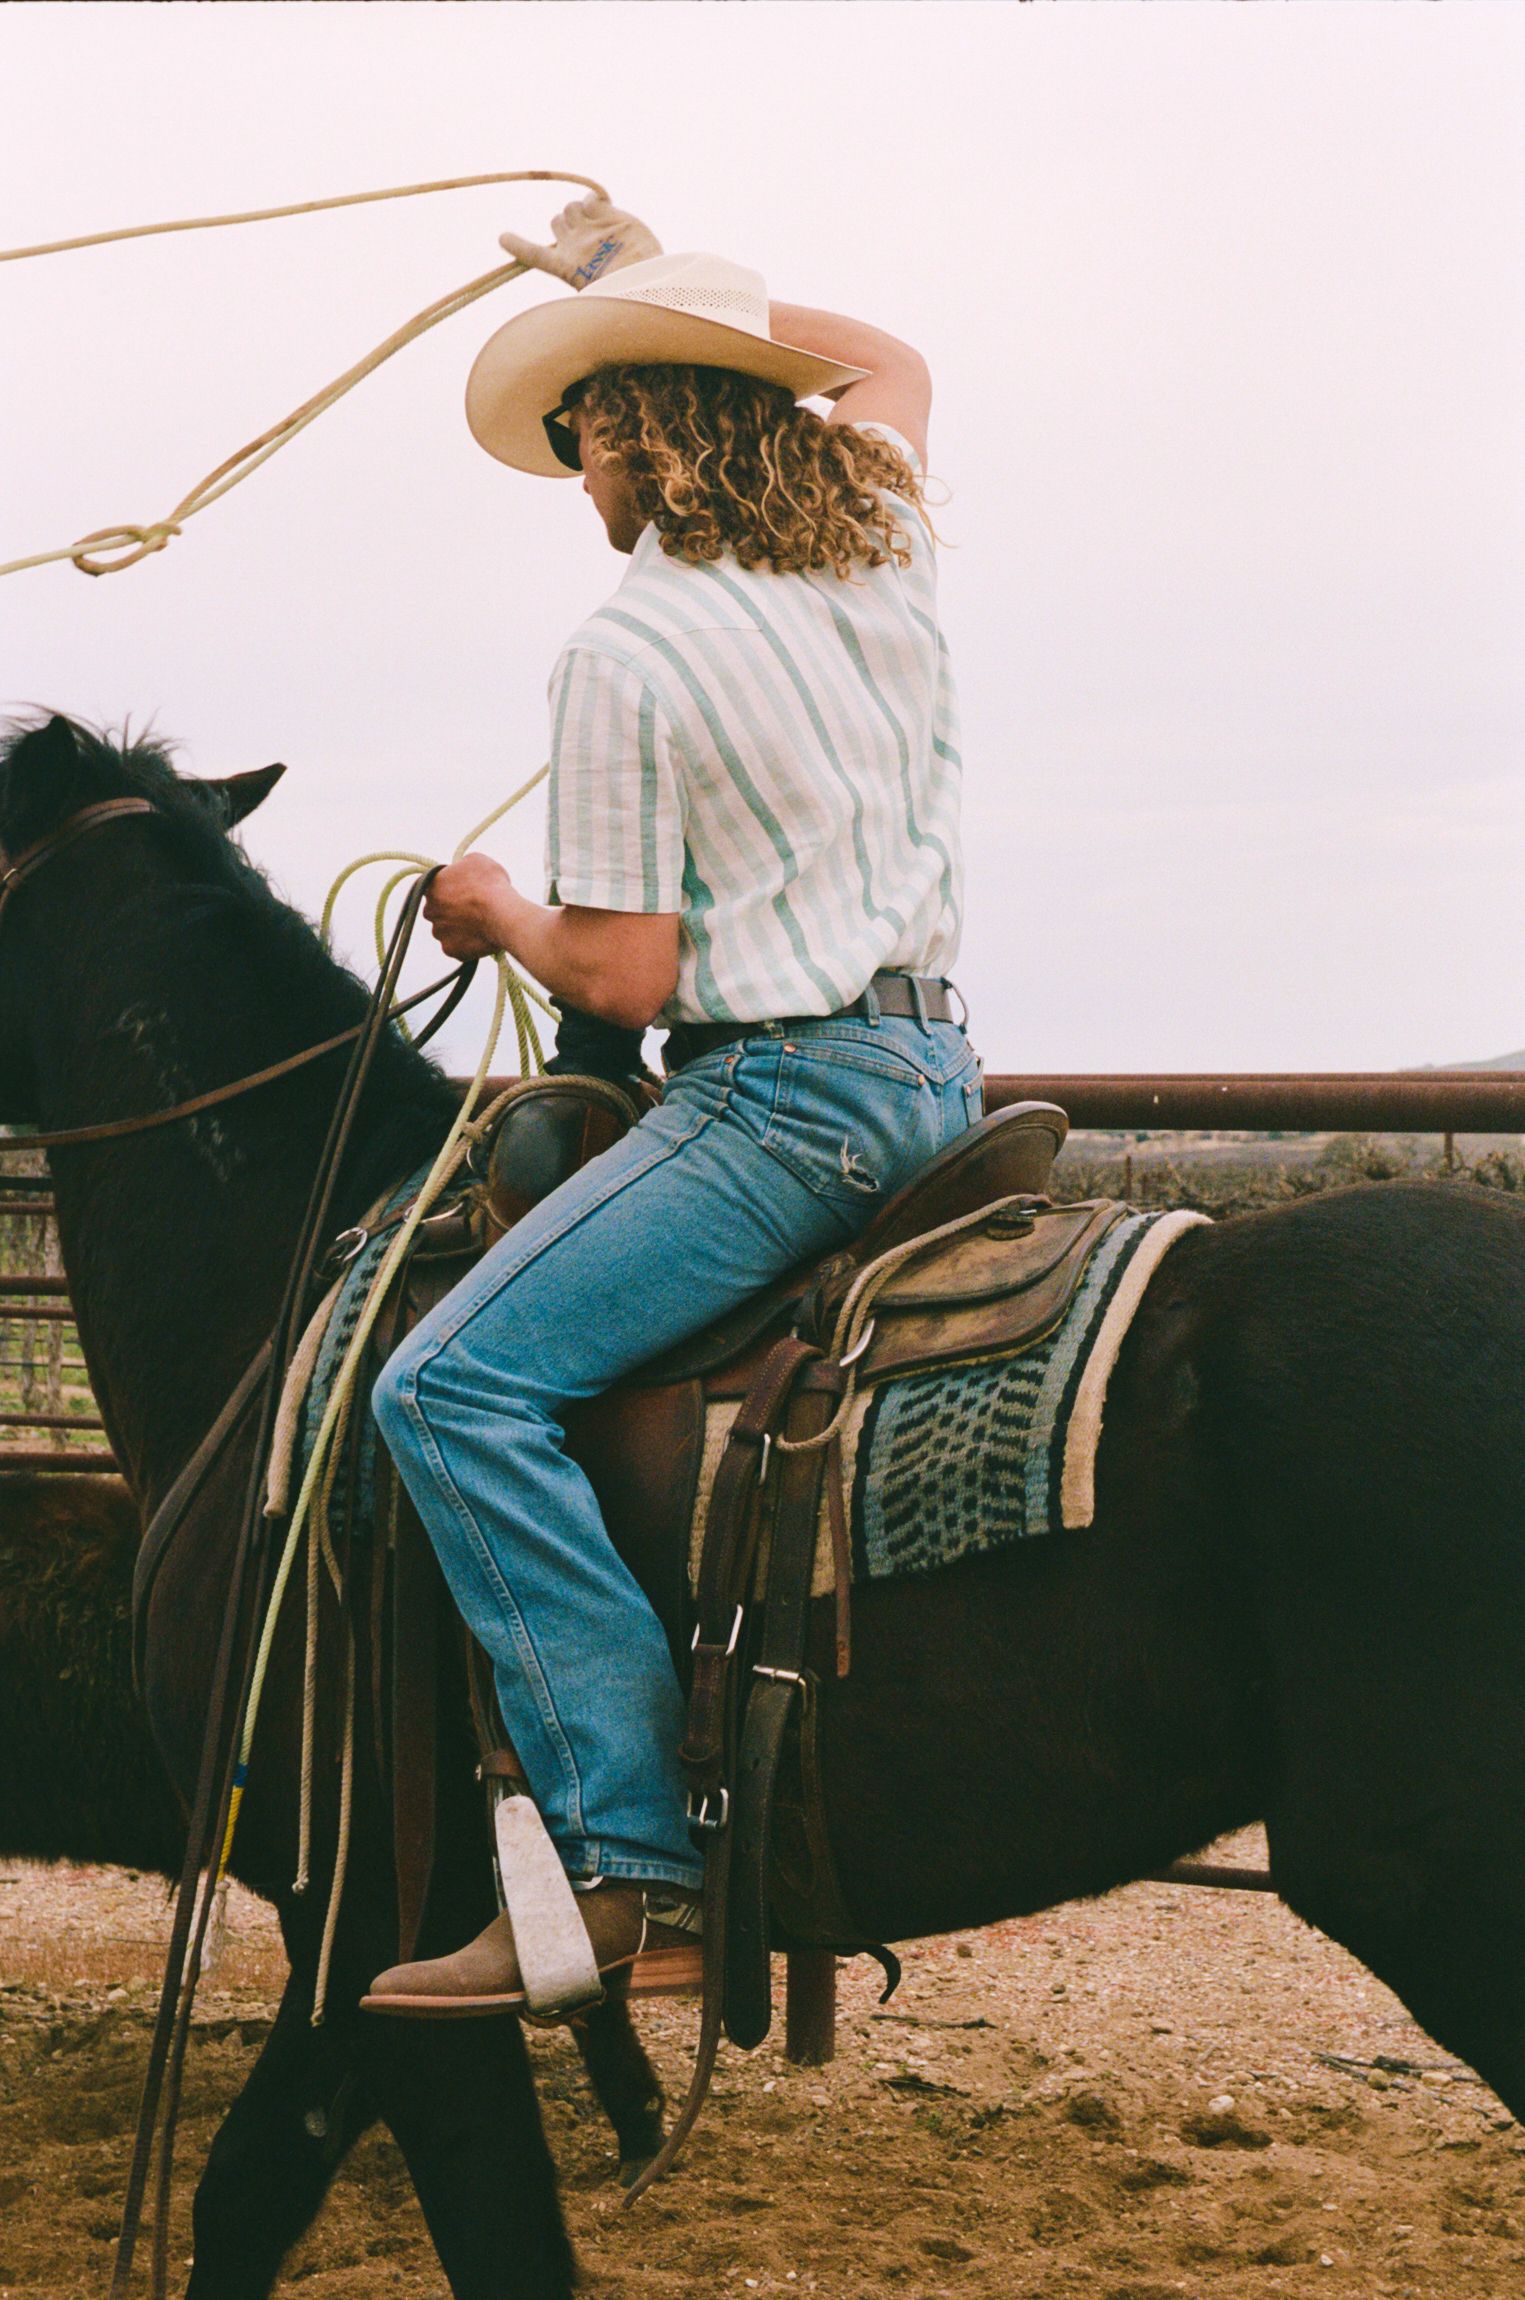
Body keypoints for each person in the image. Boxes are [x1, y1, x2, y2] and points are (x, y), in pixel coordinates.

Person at [367, 197, 978, 2014]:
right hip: (935, 1066)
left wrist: (494, 911)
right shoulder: (876, 537)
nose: (577, 472)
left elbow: (626, 981)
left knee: (446, 1389)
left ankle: (631, 1866)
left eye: (581, 430)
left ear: (637, 431)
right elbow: (892, 359)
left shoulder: (624, 651)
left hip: (783, 1095)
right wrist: (646, 286)